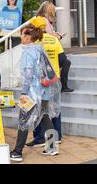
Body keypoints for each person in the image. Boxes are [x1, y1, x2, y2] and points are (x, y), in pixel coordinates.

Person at [10, 24, 61, 162]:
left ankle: (17, 152)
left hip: (32, 93)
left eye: (22, 34)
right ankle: (51, 147)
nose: (20, 37)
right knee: (45, 116)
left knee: (24, 120)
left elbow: (27, 75)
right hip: (44, 92)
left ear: (27, 37)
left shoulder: (27, 52)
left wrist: (24, 92)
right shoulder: (40, 49)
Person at [25, 16, 67, 148]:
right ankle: (57, 136)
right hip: (54, 78)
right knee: (54, 109)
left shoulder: (36, 41)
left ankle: (39, 138)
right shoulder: (54, 39)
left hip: (39, 82)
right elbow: (63, 59)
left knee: (39, 110)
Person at [36, 2, 73, 92]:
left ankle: (62, 85)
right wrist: (59, 36)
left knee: (65, 62)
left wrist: (55, 34)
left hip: (44, 48)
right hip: (50, 49)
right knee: (65, 62)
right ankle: (63, 86)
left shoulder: (38, 19)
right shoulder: (44, 20)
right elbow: (49, 35)